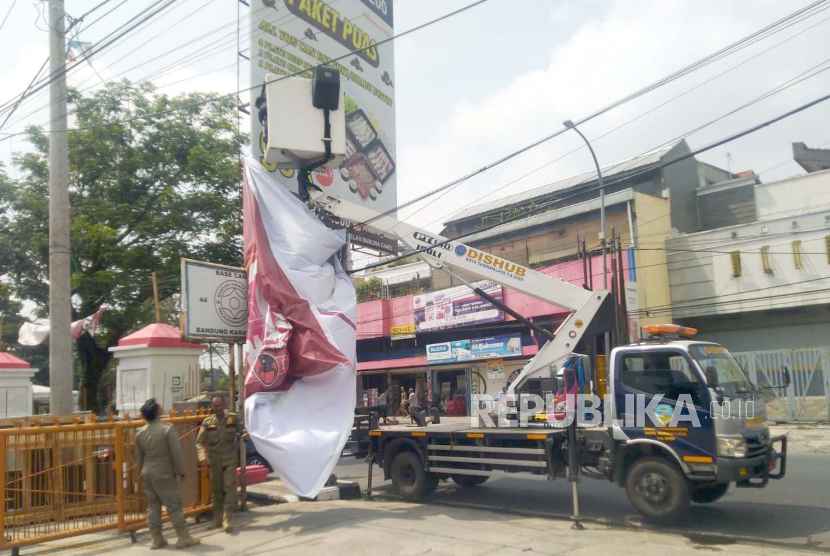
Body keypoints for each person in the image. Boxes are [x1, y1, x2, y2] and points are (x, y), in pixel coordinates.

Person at [135, 398, 200, 550]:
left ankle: (157, 539)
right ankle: (183, 537)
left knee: (153, 506)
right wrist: (182, 471)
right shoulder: (166, 429)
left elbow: (139, 457)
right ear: (158, 412)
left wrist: (140, 474)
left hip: (147, 473)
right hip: (164, 473)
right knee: (174, 505)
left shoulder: (139, 433)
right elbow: (176, 454)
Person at [196, 396, 247, 533]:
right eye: (215, 406)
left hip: (230, 459)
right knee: (216, 490)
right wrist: (202, 456)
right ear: (212, 407)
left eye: (219, 405)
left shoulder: (232, 419)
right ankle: (217, 519)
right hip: (215, 460)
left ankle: (227, 518)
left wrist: (245, 434)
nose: (217, 408)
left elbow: (243, 430)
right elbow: (199, 442)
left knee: (230, 488)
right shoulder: (207, 422)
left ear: (223, 405)